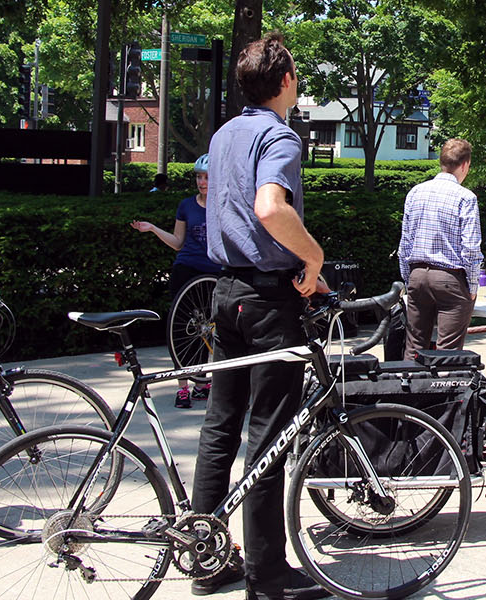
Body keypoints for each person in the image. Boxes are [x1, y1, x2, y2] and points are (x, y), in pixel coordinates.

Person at [193, 32, 330, 600]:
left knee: (219, 425)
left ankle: (203, 557)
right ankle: (268, 577)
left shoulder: (225, 134)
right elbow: (270, 208)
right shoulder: (280, 137)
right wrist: (312, 255)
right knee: (269, 437)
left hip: (225, 292)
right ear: (286, 82)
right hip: (269, 302)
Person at [131, 154, 223, 408]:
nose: (202, 182)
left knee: (210, 330)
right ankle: (182, 387)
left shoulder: (224, 205)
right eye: (198, 177)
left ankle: (202, 383)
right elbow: (178, 242)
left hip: (215, 274)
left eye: (207, 177)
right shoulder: (186, 206)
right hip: (187, 270)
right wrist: (152, 229)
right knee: (182, 329)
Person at [398, 138, 482, 360]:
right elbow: (471, 248)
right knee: (448, 351)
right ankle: (444, 392)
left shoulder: (415, 192)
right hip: (450, 278)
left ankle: (409, 390)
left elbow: (404, 244)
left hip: (417, 274)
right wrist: (472, 286)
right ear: (465, 165)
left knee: (414, 346)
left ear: (441, 162)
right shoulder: (466, 197)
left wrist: (409, 279)